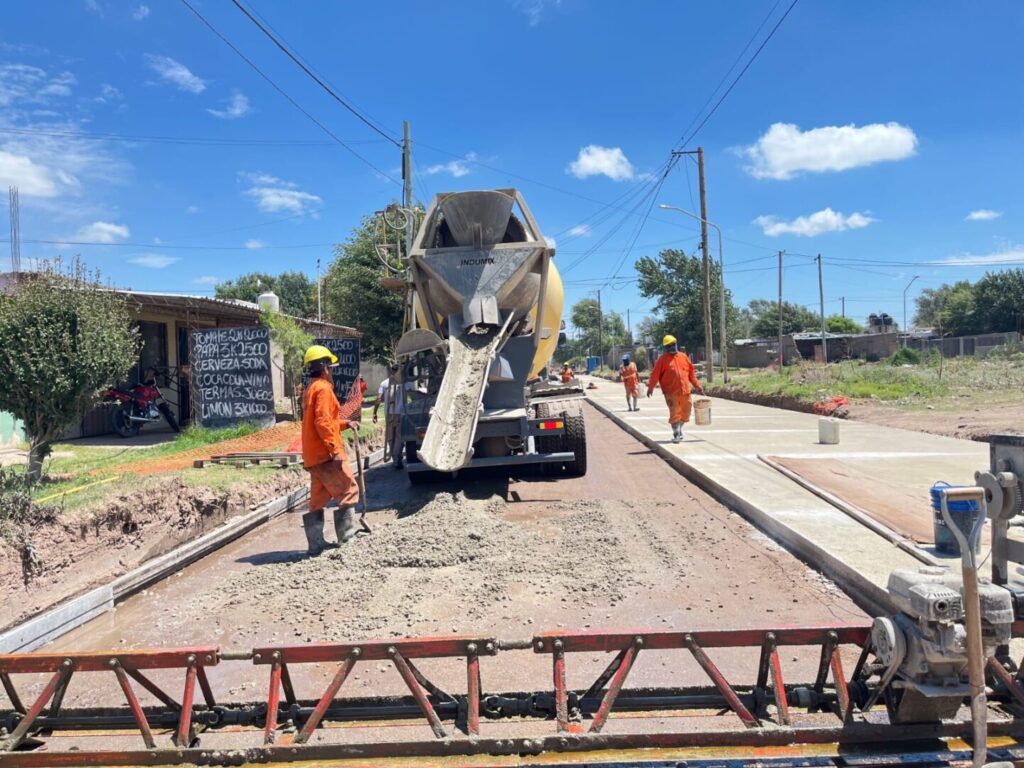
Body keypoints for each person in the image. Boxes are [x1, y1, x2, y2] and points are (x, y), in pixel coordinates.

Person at [301, 345, 361, 555]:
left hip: (313, 456)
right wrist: (334, 450)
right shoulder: (324, 389)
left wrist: (346, 424)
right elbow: (323, 422)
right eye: (331, 368)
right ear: (325, 368)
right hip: (326, 455)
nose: (332, 372)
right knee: (348, 490)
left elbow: (324, 421)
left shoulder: (311, 389)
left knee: (317, 500)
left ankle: (316, 546)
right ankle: (347, 538)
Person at [646, 335, 704, 443]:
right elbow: (655, 375)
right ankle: (676, 434)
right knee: (674, 413)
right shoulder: (662, 360)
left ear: (676, 344)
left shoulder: (683, 357)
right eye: (668, 346)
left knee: (686, 413)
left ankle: (679, 428)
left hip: (685, 391)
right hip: (670, 393)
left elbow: (691, 374)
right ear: (665, 348)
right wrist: (650, 388)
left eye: (673, 345)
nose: (671, 347)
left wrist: (698, 386)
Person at [373, 363, 404, 469]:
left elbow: (378, 399)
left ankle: (395, 458)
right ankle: (397, 459)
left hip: (389, 413)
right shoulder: (404, 383)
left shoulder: (384, 383)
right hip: (400, 413)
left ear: (391, 371)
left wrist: (375, 413)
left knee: (391, 436)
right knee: (399, 437)